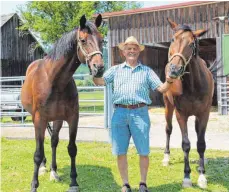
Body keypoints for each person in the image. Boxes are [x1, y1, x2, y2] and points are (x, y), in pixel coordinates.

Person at [93, 36, 174, 192]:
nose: (131, 51)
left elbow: (162, 88)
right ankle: (125, 184)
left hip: (140, 113)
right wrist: (94, 72)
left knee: (143, 151)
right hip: (119, 114)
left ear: (139, 52)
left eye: (134, 48)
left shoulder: (147, 71)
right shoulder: (115, 70)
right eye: (128, 48)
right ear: (124, 52)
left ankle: (143, 183)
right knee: (120, 151)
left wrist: (169, 81)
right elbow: (99, 82)